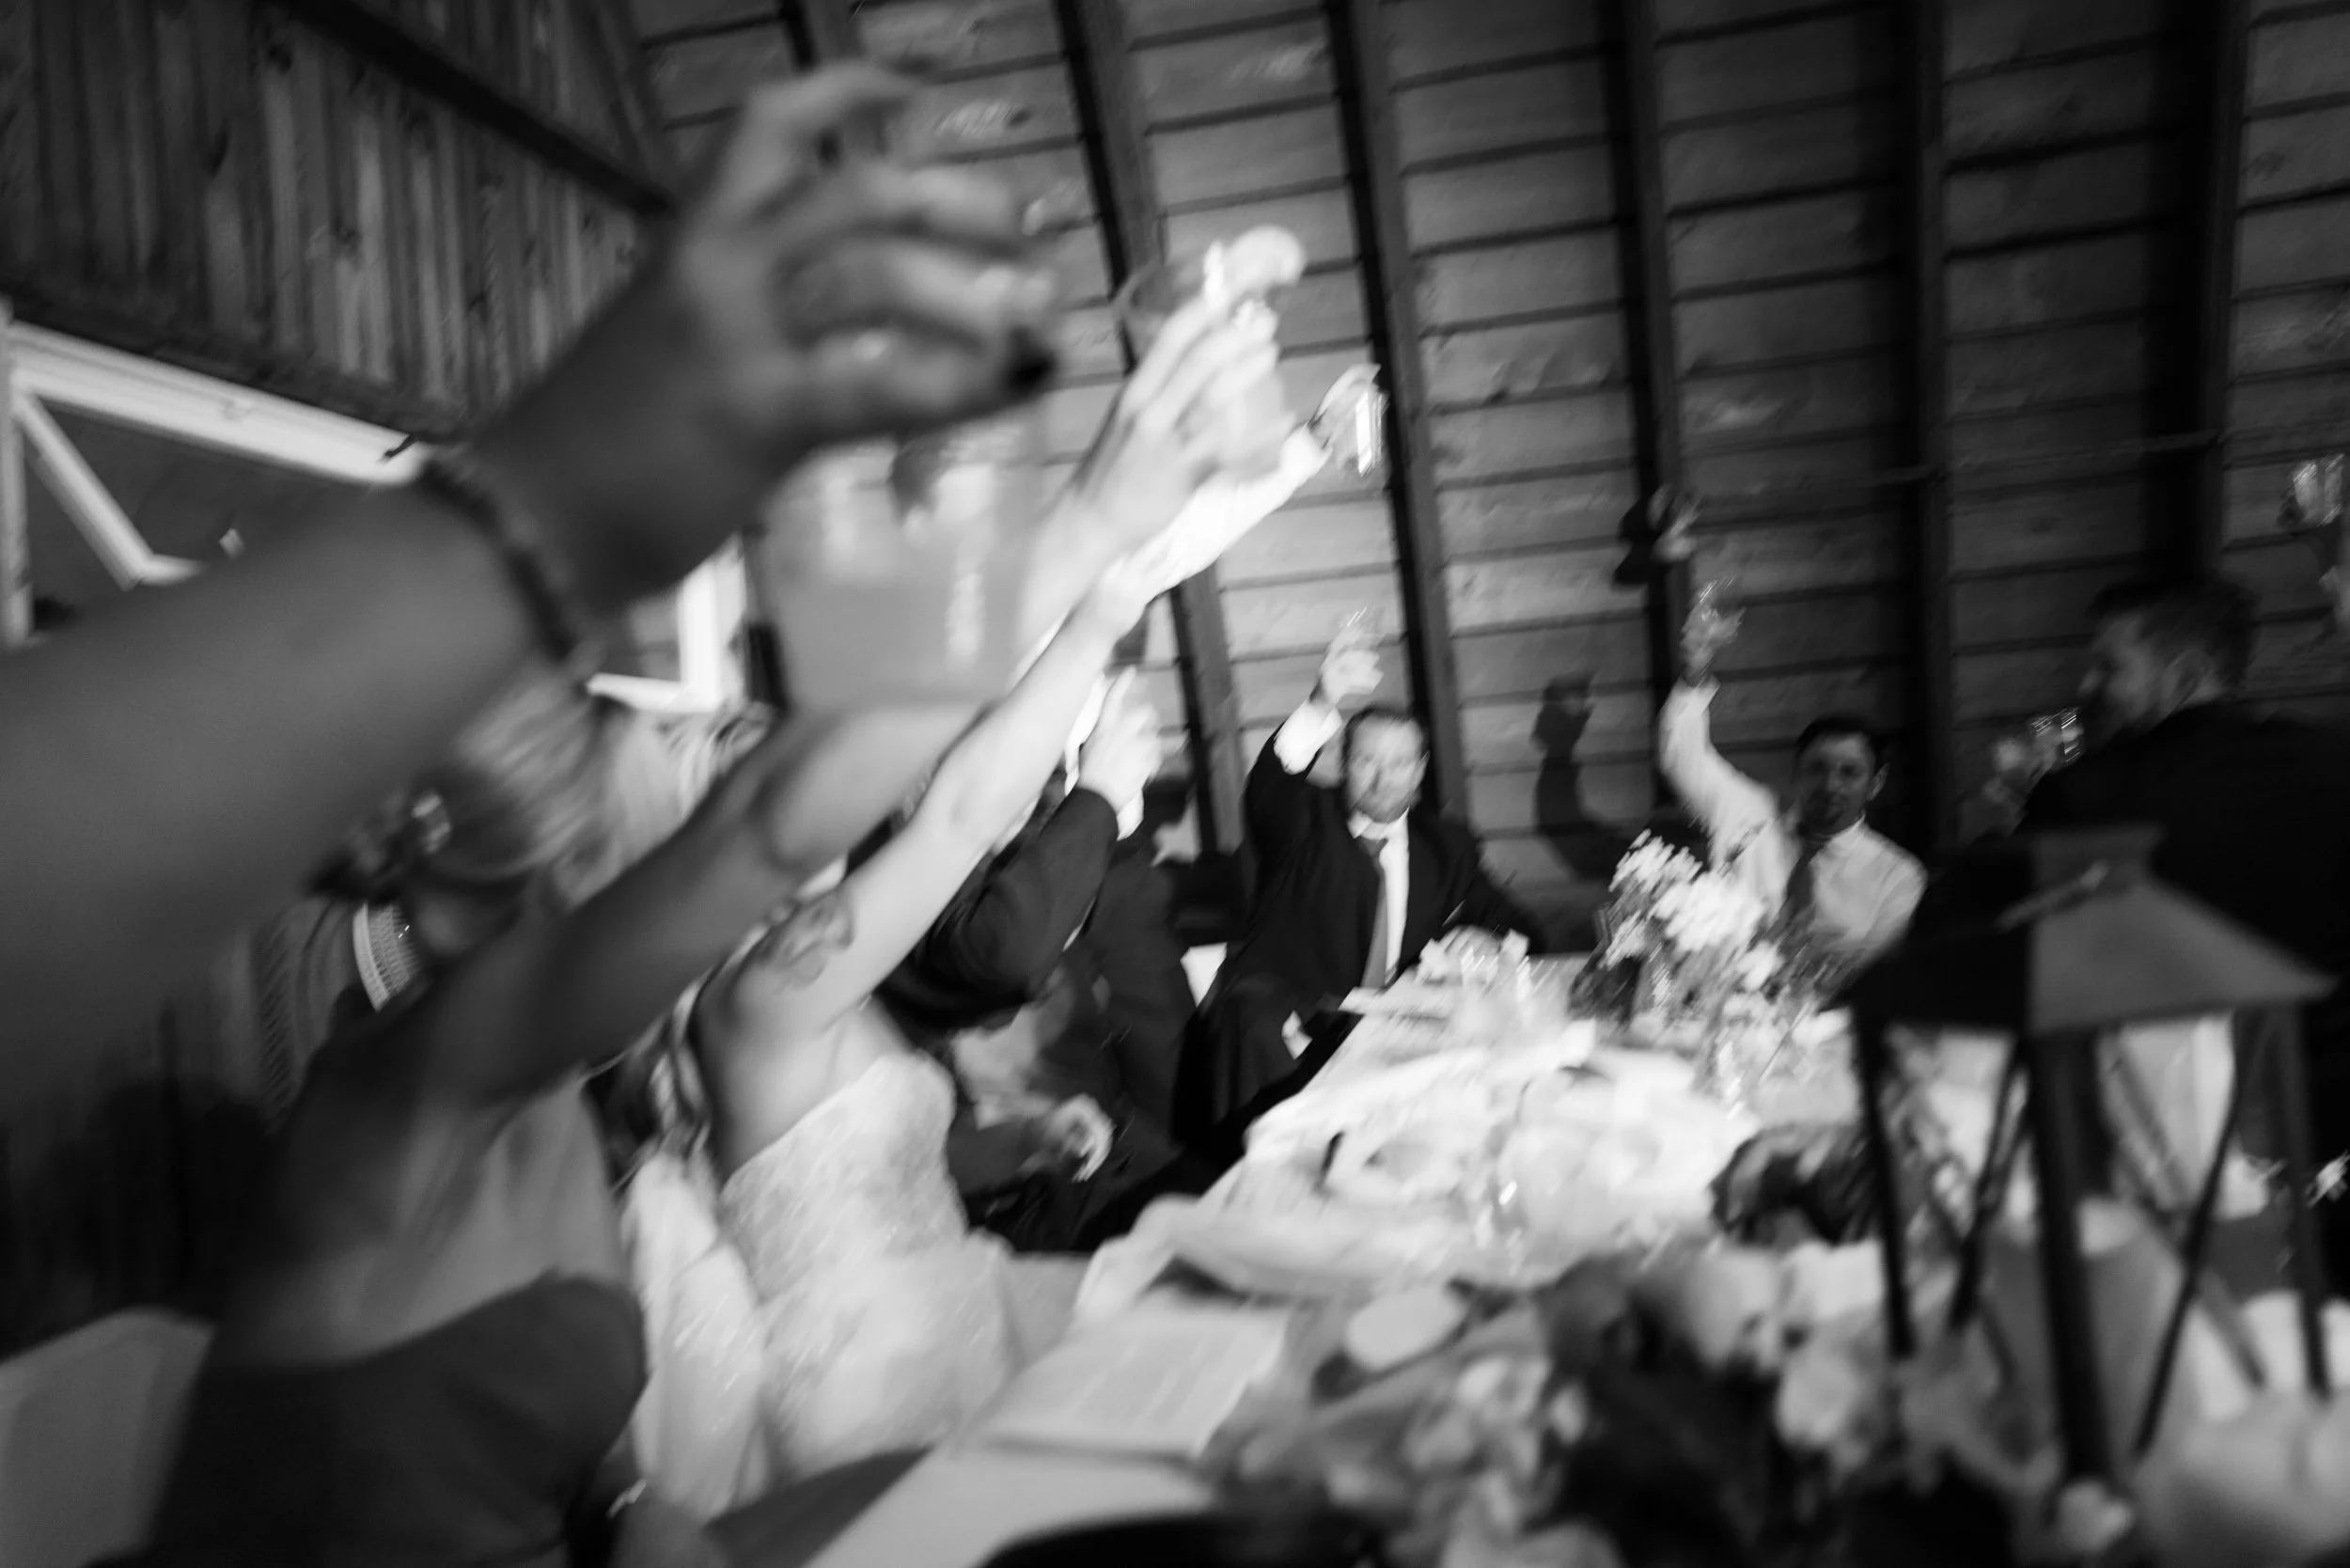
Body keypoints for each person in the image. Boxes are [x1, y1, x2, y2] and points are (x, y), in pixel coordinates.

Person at [126, 129, 1290, 1568]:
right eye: (686, 787)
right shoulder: (433, 1069)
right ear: (587, 878)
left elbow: (541, 1434)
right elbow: (864, 805)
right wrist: (1103, 526)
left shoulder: (561, 1091)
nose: (760, 809)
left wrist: (623, 1506)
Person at [2, 66, 1064, 1088]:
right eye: (616, 724)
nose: (669, 730)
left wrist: (557, 503)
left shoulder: (461, 1051)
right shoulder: (468, 1065)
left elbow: (772, 822)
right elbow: (773, 823)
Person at [648, 478, 1281, 1497]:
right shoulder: (764, 993)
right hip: (874, 1394)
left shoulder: (818, 980)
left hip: (962, 1308)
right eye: (797, 809)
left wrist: (1026, 1138)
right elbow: (956, 822)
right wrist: (1096, 628)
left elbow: (883, 1165)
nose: (841, 816)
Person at [2021, 574, 2350, 1285]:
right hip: (2332, 1122)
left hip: (2164, 1150)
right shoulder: (2335, 763)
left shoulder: (2083, 796)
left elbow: (2049, 977)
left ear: (2187, 674)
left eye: (2110, 666)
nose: (2089, 683)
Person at [1181, 626, 1541, 1139]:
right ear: (1343, 765)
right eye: (1368, 761)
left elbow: (1524, 928)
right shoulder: (1302, 821)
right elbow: (1271, 784)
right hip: (1290, 1032)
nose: (1383, 778)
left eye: (1399, 764)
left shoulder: (1446, 845)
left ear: (1420, 773)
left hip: (1396, 1037)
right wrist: (1321, 701)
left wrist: (1491, 938)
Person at [1660, 589, 1923, 968]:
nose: (1831, 784)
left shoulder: (1897, 876)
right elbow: (1682, 758)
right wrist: (1695, 673)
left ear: (1876, 783)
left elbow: (1872, 971)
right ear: (1796, 772)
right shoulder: (1747, 812)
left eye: (1850, 772)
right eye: (1817, 768)